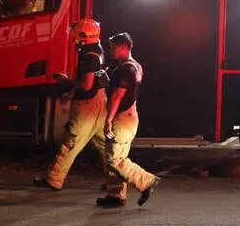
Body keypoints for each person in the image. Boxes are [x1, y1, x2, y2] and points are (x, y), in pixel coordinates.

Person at [34, 18, 109, 191]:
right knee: (107, 148)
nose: (74, 38)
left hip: (87, 107)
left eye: (76, 35)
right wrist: (71, 93)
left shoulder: (89, 57)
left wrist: (67, 82)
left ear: (83, 36)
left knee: (70, 143)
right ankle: (118, 184)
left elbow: (87, 84)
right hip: (99, 103)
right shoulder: (98, 51)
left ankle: (54, 179)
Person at [96, 32, 160, 208]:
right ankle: (115, 195)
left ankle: (146, 181)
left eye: (113, 47)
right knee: (115, 155)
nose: (110, 51)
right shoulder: (135, 66)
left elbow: (118, 95)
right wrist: (107, 83)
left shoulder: (125, 69)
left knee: (114, 159)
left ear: (124, 47)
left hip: (122, 117)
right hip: (130, 115)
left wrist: (108, 119)